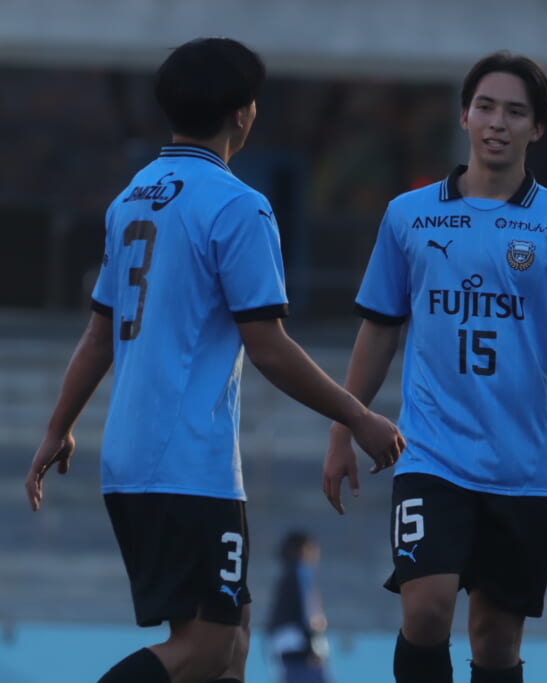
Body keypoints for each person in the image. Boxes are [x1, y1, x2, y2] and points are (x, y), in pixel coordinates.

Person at [24, 37, 405, 683]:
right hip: (185, 460)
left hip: (136, 455)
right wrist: (357, 414)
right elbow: (269, 347)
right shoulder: (238, 206)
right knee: (204, 647)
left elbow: (97, 336)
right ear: (242, 112)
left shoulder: (132, 197)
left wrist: (58, 427)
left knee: (234, 644)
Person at [321, 51, 547, 683]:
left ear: (538, 127)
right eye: (485, 107)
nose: (497, 123)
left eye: (515, 112)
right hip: (431, 454)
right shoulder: (408, 215)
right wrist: (342, 428)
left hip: (521, 468)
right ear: (463, 115)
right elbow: (380, 330)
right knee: (426, 609)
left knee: (495, 641)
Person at [267, 531, 332, 683]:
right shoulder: (301, 571)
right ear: (303, 549)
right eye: (313, 548)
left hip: (285, 649)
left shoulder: (287, 574)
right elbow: (309, 613)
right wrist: (312, 643)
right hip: (302, 649)